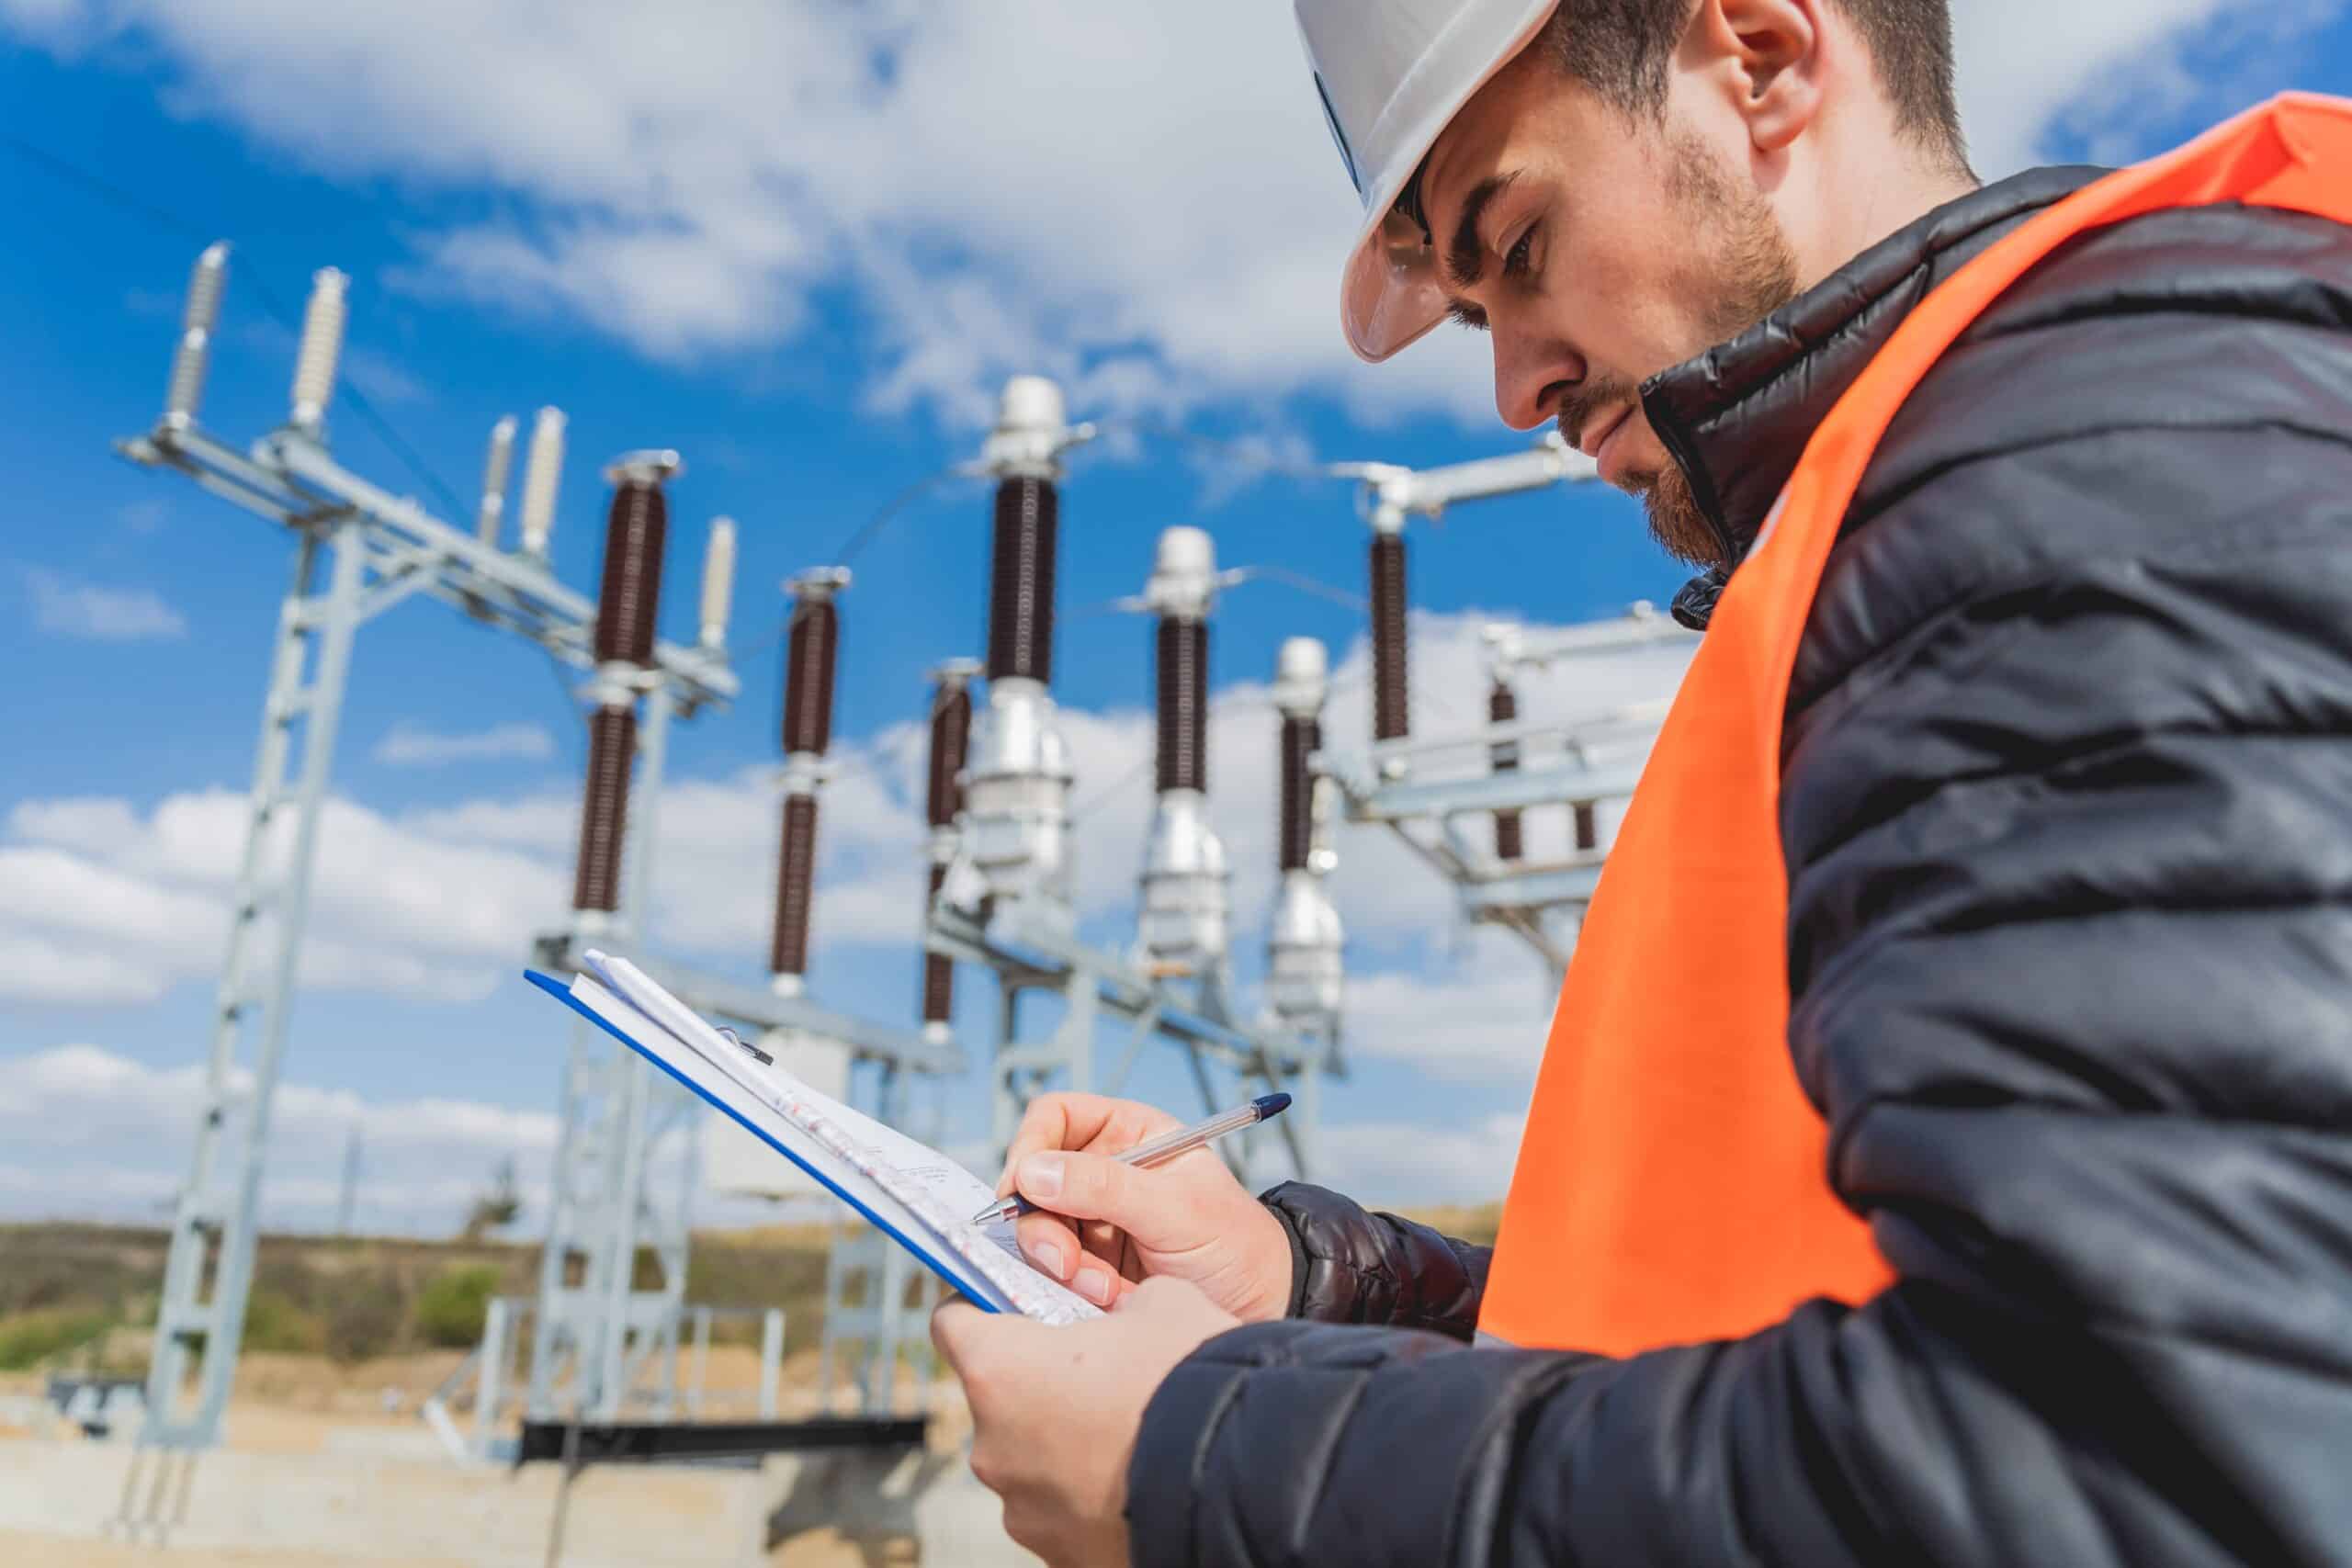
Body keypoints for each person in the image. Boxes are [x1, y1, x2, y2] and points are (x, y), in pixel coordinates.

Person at [931, 1, 2352, 1563]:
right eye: (1478, 316)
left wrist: (1204, 1456)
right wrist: (1300, 1292)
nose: (1516, 393)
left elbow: (2139, 1461)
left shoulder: (2087, 476)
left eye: (1519, 244)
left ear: (1761, 53)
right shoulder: (1938, 518)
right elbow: (1778, 1335)